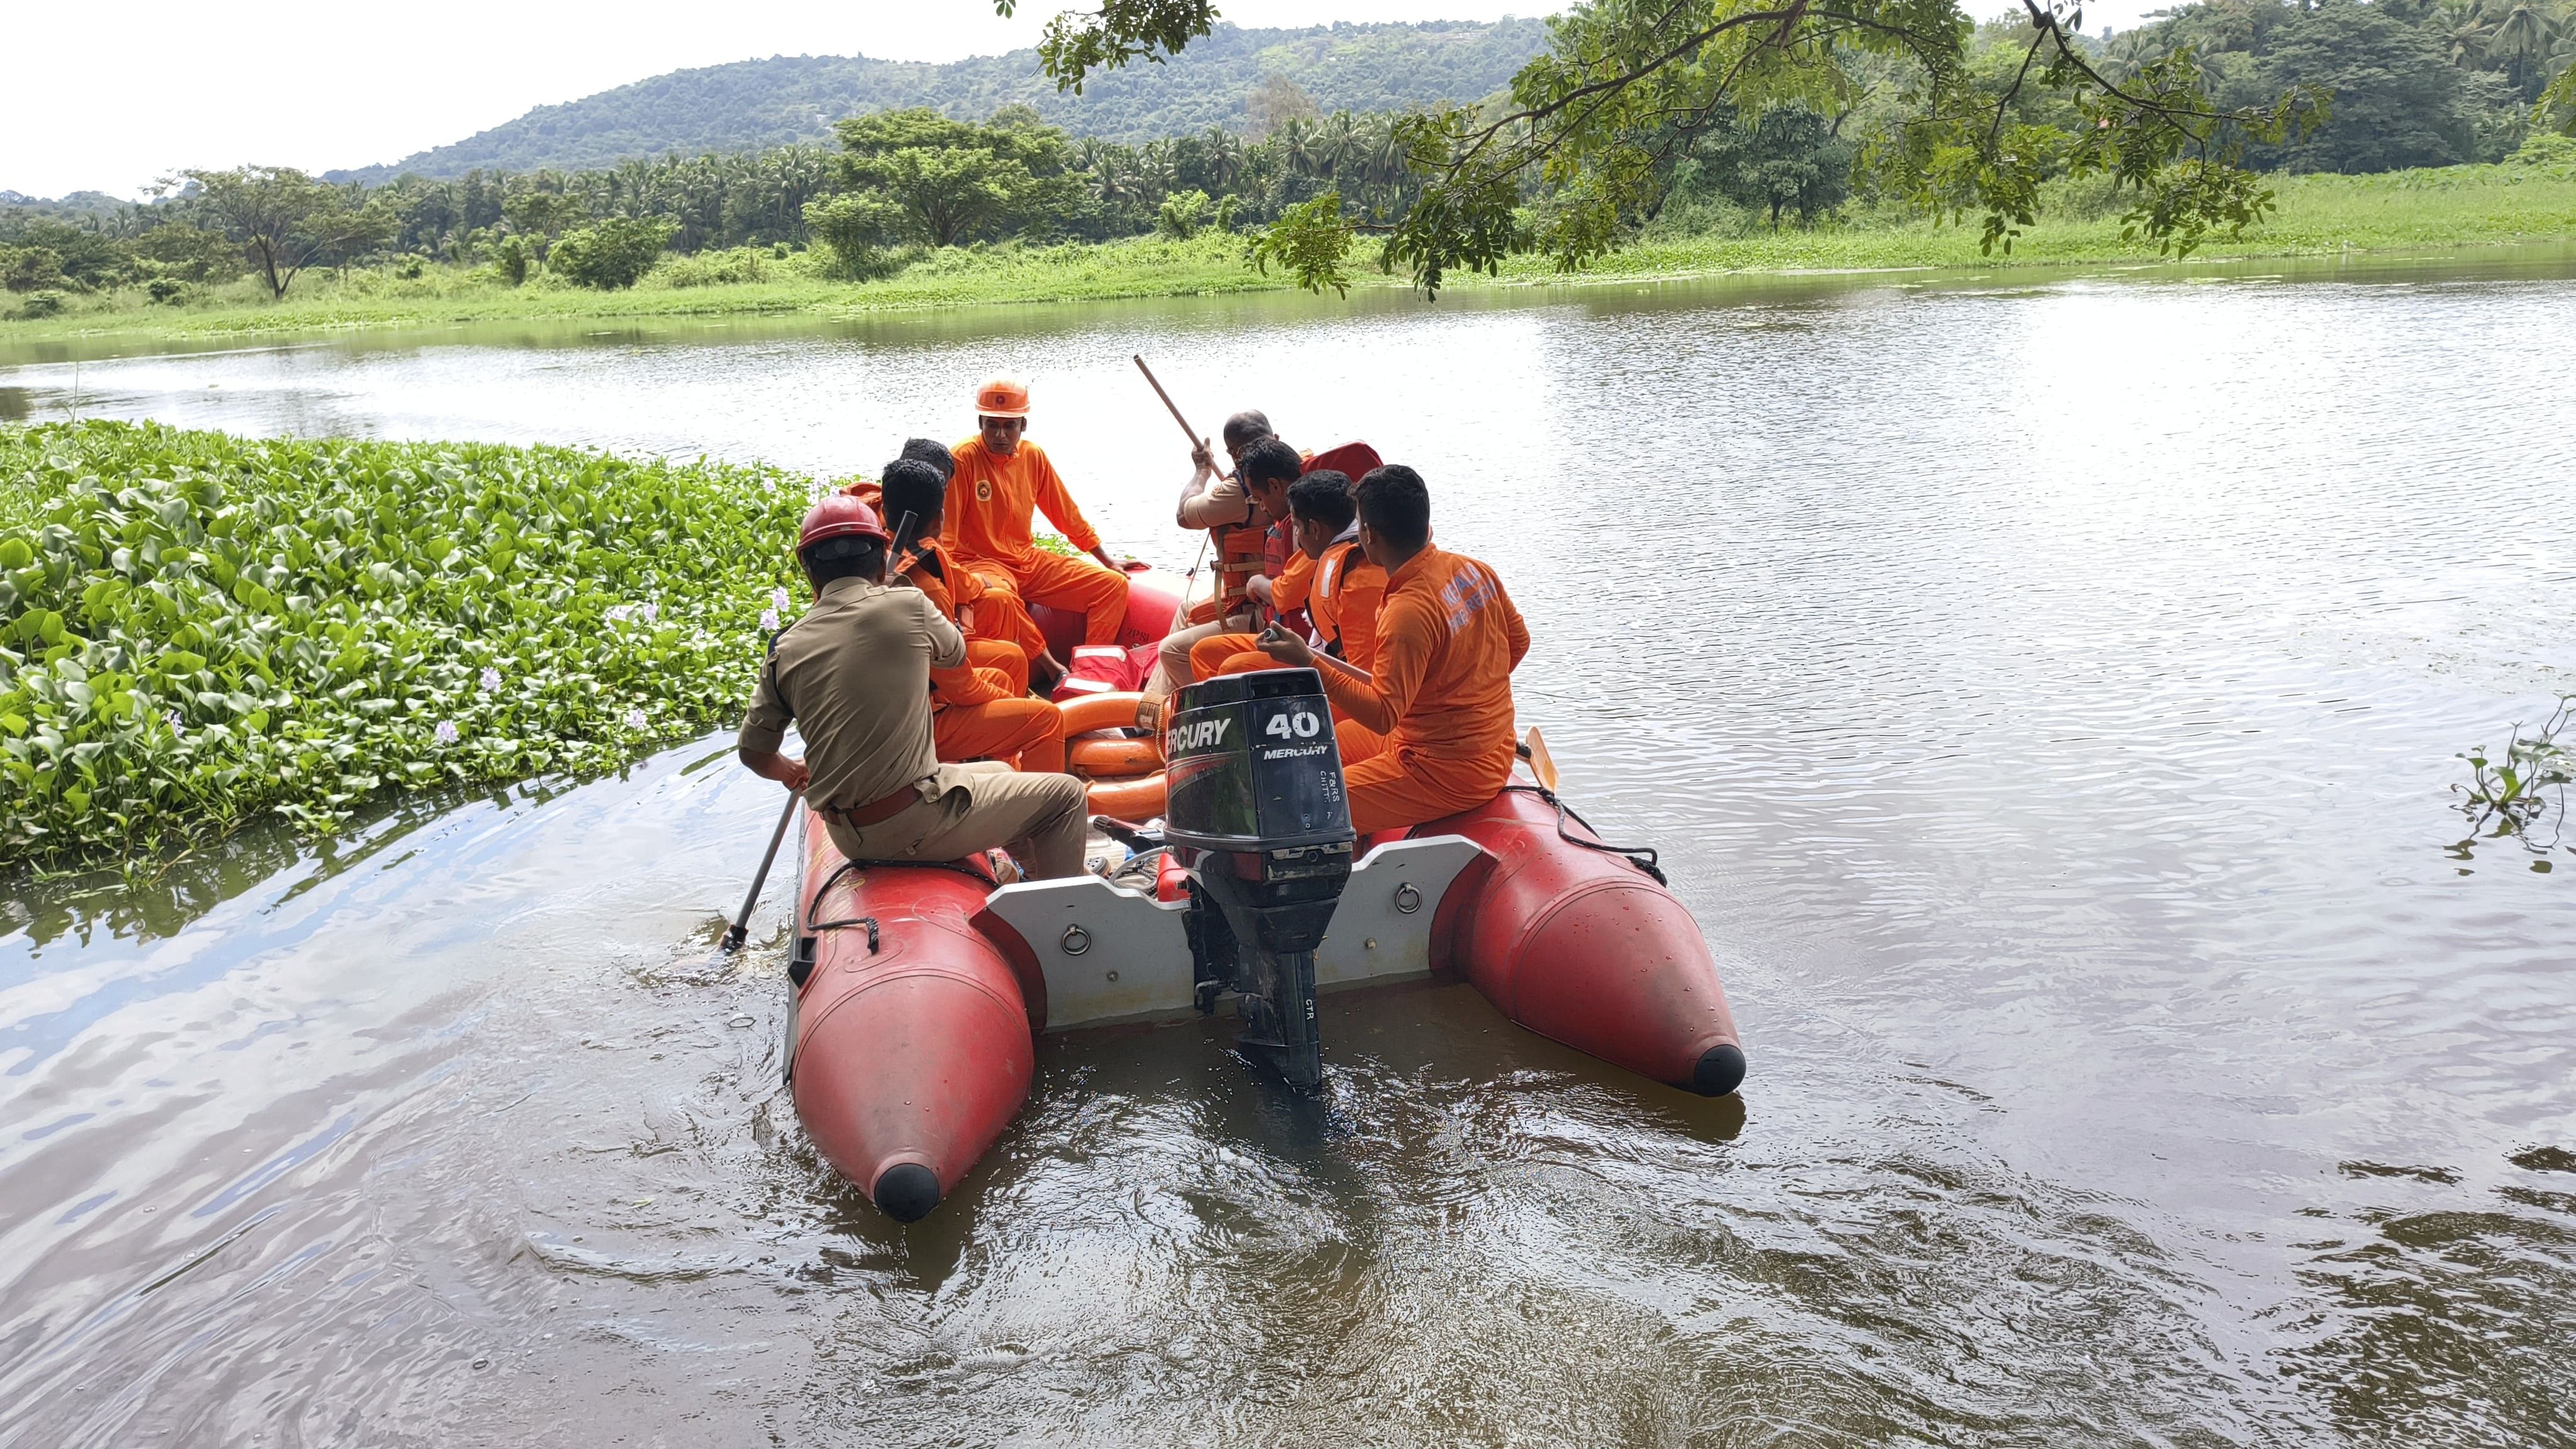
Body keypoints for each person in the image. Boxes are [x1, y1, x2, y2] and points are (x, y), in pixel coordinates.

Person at [737, 493, 1088, 879]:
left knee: (1001, 776)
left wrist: (791, 770)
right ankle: (1067, 919)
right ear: (878, 556)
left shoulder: (785, 647)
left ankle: (1033, 875)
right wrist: (895, 593)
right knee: (1066, 797)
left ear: (809, 571)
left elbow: (754, 754)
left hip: (847, 834)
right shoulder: (908, 603)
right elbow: (954, 655)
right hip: (909, 823)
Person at [1257, 465, 1528, 838]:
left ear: (1369, 534)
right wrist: (1461, 699)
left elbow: (1384, 714)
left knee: (1288, 801)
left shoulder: (1407, 612)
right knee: (1303, 749)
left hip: (1445, 771)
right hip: (1464, 742)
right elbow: (1519, 643)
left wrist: (1308, 660)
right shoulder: (1473, 569)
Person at [880, 458, 1068, 773]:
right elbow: (959, 688)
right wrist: (1009, 702)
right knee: (1046, 719)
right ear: (940, 519)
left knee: (1009, 664)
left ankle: (1002, 761)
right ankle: (1035, 800)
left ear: (884, 510)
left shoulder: (872, 558)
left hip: (892, 706)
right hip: (912, 728)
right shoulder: (928, 593)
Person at [943, 375, 1131, 648]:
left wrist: (1106, 559)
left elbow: (1066, 513)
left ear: (1024, 425)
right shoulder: (962, 459)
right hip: (982, 562)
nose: (1000, 435)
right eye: (992, 426)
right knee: (1001, 598)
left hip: (1028, 561)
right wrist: (955, 582)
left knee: (1113, 586)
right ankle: (1051, 666)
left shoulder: (1033, 456)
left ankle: (1090, 671)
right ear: (980, 423)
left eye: (1009, 426)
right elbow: (945, 538)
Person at [1144, 435, 1307, 713]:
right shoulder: (1297, 472)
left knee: (1172, 650)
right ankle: (1154, 709)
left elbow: (1184, 516)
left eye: (1261, 499)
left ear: (1273, 487)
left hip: (1268, 616)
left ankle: (1214, 719)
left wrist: (1202, 472)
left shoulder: (1251, 497)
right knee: (1186, 610)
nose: (1263, 508)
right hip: (1251, 604)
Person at [894, 435, 1065, 690]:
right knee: (1036, 702)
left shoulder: (906, 519)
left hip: (932, 636)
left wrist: (974, 584)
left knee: (1000, 601)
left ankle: (1016, 689)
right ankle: (1010, 701)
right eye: (940, 485)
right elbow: (954, 680)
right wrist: (986, 691)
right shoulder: (918, 555)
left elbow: (950, 573)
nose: (944, 491)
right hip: (921, 668)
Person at [1189, 470, 1385, 687]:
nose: (1297, 537)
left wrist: (1305, 659)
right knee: (1203, 652)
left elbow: (1363, 677)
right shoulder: (1327, 547)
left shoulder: (1356, 581)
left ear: (1315, 529)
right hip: (1316, 654)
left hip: (1340, 678)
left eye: (1298, 528)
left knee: (1232, 668)